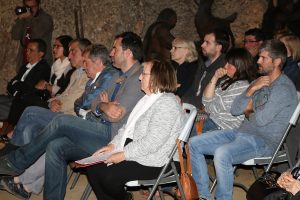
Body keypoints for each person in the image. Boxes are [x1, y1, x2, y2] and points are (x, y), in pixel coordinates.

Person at [0, 31, 144, 200]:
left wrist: (101, 109)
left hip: (112, 137)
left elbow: (115, 118)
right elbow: (94, 103)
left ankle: (17, 162)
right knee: (55, 146)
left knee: (61, 120)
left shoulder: (137, 78)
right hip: (99, 128)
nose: (111, 52)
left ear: (128, 53)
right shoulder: (119, 76)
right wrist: (103, 106)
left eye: (115, 48)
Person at [189, 40, 298, 200]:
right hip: (240, 133)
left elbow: (260, 120)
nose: (258, 61)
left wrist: (248, 108)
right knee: (194, 143)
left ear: (277, 62)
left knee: (222, 154)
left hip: (264, 141)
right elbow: (235, 109)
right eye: (259, 57)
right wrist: (251, 89)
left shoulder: (283, 89)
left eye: (263, 58)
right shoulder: (258, 81)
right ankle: (203, 195)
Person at [85, 59, 185, 200]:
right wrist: (112, 145)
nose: (139, 77)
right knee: (93, 166)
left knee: (109, 177)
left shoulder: (167, 104)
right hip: (141, 151)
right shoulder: (147, 99)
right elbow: (128, 128)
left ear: (157, 77)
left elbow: (152, 142)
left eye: (144, 74)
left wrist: (122, 155)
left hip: (159, 159)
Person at [0, 39, 50, 136]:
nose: (27, 53)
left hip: (25, 101)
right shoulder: (24, 67)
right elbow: (10, 85)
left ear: (41, 54)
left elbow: (29, 87)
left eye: (31, 50)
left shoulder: (43, 68)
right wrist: (16, 86)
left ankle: (6, 132)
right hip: (15, 97)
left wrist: (16, 84)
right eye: (27, 50)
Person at [200, 48, 257, 133]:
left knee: (185, 128)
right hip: (212, 120)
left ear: (239, 65)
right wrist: (215, 77)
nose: (225, 66)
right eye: (226, 62)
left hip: (221, 127)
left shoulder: (242, 86)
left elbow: (210, 108)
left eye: (229, 64)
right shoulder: (227, 81)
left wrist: (205, 108)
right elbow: (205, 99)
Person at [11, 0, 53, 70]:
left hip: (40, 64)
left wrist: (30, 18)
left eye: (32, 7)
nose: (30, 10)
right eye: (27, 7)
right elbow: (15, 35)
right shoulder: (24, 19)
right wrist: (20, 19)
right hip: (24, 62)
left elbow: (37, 34)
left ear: (38, 5)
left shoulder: (46, 18)